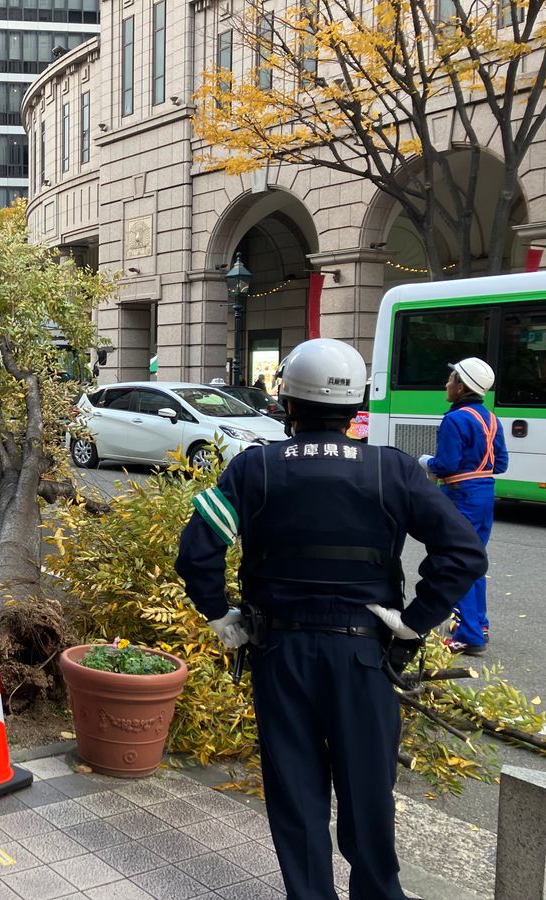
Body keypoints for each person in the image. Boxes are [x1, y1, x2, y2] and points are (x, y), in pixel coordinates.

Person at [175, 338, 486, 900]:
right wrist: (412, 624)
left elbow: (196, 551)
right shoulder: (392, 470)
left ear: (287, 402)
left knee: (296, 799)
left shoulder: (255, 469)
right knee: (369, 796)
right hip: (366, 657)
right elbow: (463, 554)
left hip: (282, 655)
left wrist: (221, 614)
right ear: (355, 404)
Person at [418, 357, 508, 655]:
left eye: (451, 380)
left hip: (461, 496)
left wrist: (425, 463)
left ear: (461, 386)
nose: (447, 384)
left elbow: (446, 464)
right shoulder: (491, 418)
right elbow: (502, 464)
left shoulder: (455, 419)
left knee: (457, 562)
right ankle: (478, 623)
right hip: (485, 495)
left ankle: (469, 635)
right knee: (474, 560)